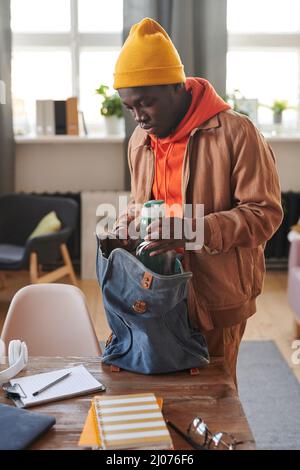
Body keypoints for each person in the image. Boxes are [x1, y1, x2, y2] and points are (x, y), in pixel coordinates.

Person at [112, 18, 283, 386]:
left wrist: (193, 231)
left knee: (214, 398)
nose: (139, 117)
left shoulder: (239, 133)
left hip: (215, 297)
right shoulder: (140, 142)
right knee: (161, 393)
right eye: (130, 107)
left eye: (147, 103)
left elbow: (265, 215)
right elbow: (146, 204)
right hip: (154, 294)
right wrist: (130, 217)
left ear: (178, 86)